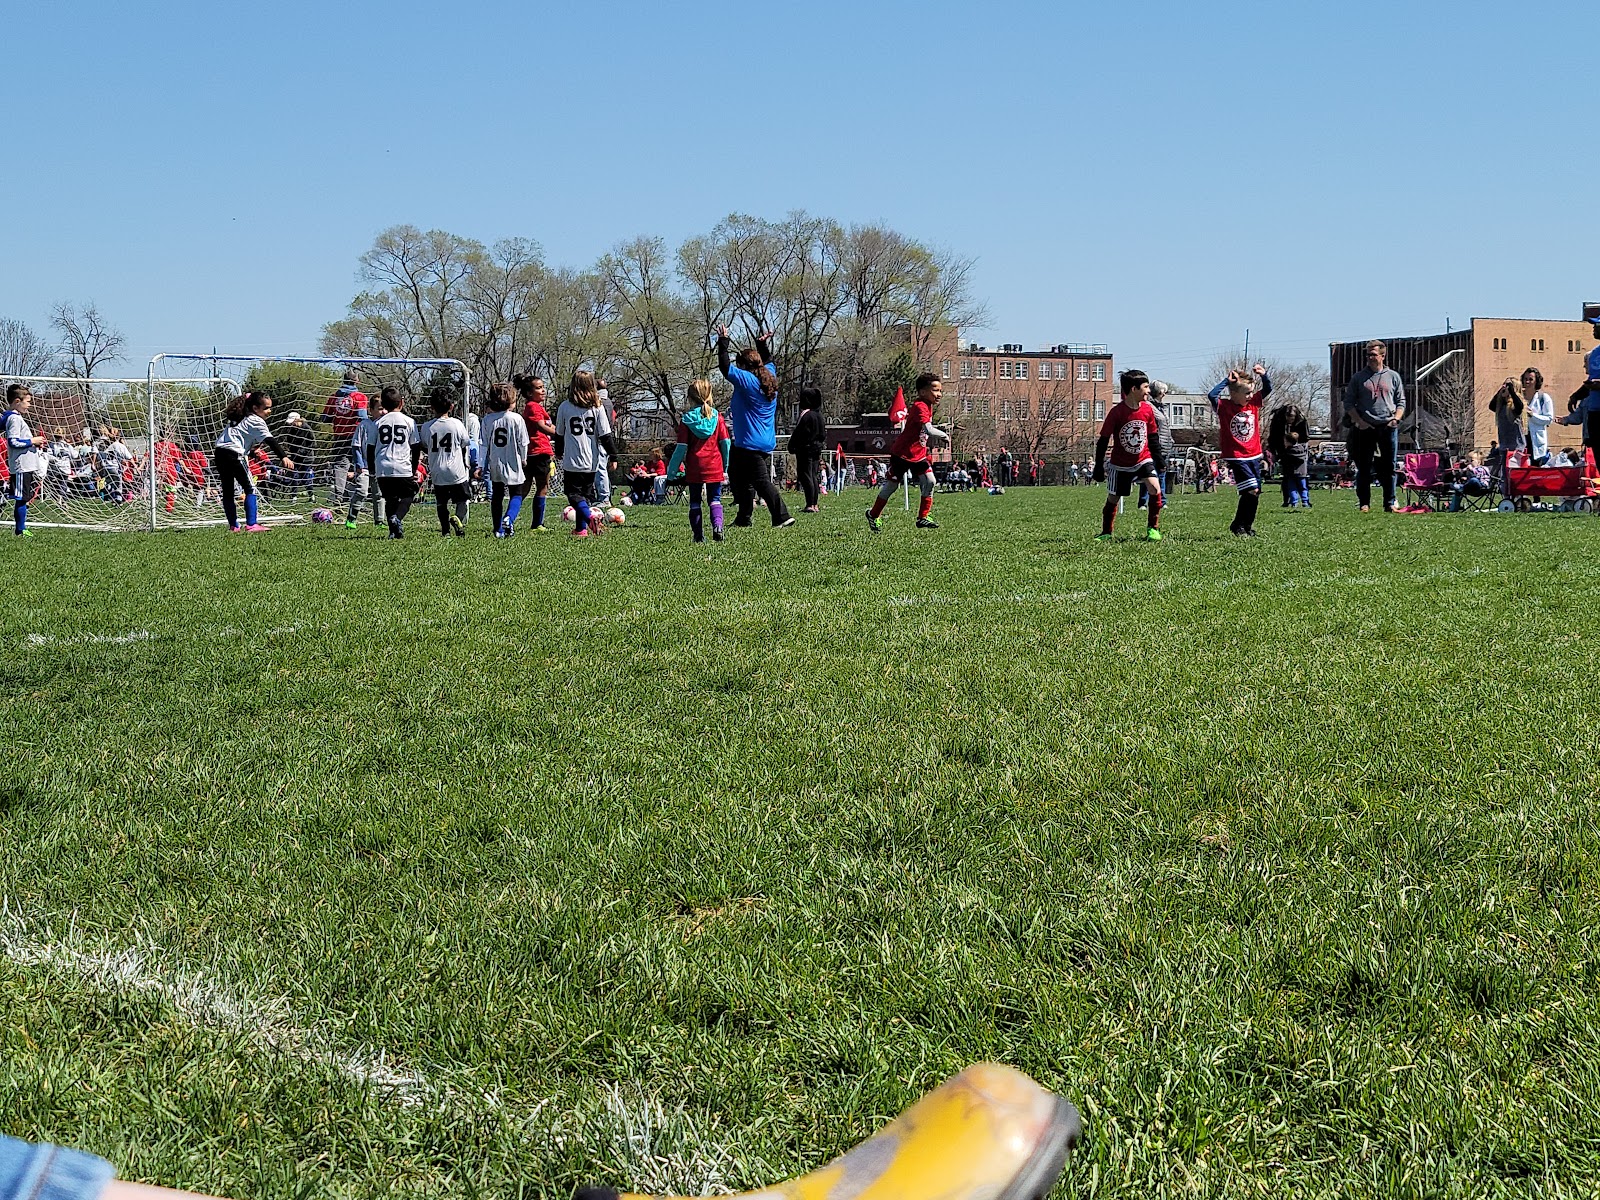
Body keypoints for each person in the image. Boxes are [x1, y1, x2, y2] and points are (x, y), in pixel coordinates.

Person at [717, 325, 794, 528]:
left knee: (760, 482)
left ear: (743, 365)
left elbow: (725, 368)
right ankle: (743, 518)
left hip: (750, 443)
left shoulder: (748, 380)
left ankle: (782, 516)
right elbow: (767, 360)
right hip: (758, 441)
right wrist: (762, 344)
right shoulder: (769, 375)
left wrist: (723, 341)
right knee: (739, 478)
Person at [866, 373, 947, 531]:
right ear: (922, 392)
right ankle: (873, 514)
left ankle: (923, 517)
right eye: (935, 390)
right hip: (902, 454)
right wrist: (944, 435)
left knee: (930, 481)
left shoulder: (927, 404)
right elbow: (928, 430)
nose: (939, 394)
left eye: (940, 391)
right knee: (892, 486)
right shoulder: (920, 406)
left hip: (918, 455)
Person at [1092, 369, 1165, 541]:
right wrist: (1098, 466)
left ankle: (1153, 529)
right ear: (1134, 389)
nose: (1148, 391)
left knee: (1155, 488)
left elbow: (1153, 437)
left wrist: (1159, 459)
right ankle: (1106, 533)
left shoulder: (1148, 411)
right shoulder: (1117, 412)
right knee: (1113, 497)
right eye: (1146, 387)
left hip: (1143, 459)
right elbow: (1103, 440)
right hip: (1120, 463)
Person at [214, 391, 292, 532]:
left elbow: (234, 437)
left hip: (219, 452)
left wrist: (249, 452)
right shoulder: (255, 420)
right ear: (255, 408)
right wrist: (283, 457)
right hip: (234, 454)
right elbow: (270, 440)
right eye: (266, 408)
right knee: (250, 487)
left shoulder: (239, 416)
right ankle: (252, 524)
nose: (269, 411)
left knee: (228, 490)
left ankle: (233, 525)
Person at [1342, 340, 1406, 513]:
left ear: (1382, 356)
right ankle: (1364, 503)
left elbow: (1401, 401)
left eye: (1373, 354)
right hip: (1366, 428)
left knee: (1390, 466)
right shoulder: (1358, 378)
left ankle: (1390, 502)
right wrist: (1359, 422)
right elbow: (1348, 403)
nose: (1369, 357)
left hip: (1388, 426)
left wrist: (1396, 419)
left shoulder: (1393, 376)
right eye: (1368, 354)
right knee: (1363, 467)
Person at [665, 378, 732, 542]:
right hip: (714, 465)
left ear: (690, 398)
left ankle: (698, 536)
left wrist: (671, 472)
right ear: (709, 395)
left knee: (695, 502)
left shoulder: (687, 420)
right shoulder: (717, 418)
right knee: (715, 500)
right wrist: (725, 465)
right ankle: (718, 526)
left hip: (695, 467)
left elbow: (681, 448)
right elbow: (726, 443)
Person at [1208, 363, 1272, 535]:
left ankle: (1245, 526)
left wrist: (1263, 375)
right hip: (1237, 456)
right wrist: (1226, 381)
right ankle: (1239, 525)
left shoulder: (1253, 404)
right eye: (1246, 393)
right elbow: (1212, 395)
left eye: (1252, 392)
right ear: (1234, 393)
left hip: (1254, 454)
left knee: (1255, 492)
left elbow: (1268, 389)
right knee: (1251, 490)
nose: (1251, 396)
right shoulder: (1225, 407)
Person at [554, 369, 618, 538]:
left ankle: (590, 518)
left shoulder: (565, 407)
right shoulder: (597, 407)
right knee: (585, 496)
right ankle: (581, 530)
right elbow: (605, 435)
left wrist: (558, 451)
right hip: (591, 460)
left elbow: (559, 433)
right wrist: (613, 456)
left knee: (573, 494)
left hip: (572, 459)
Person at [367, 387, 420, 539]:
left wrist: (372, 469)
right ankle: (396, 518)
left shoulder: (377, 423)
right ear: (401, 403)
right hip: (402, 466)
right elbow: (415, 447)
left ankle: (393, 531)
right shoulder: (409, 421)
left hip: (383, 467)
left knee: (390, 499)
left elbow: (370, 448)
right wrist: (414, 468)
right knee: (409, 494)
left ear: (383, 403)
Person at [479, 382, 529, 537]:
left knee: (497, 495)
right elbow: (523, 442)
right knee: (517, 494)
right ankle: (508, 518)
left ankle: (498, 529)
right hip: (513, 460)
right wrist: (524, 458)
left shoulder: (487, 420)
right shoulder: (516, 419)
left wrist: (481, 465)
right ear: (511, 401)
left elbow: (483, 444)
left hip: (496, 462)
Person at [418, 393, 472, 537]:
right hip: (456, 471)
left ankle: (445, 531)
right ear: (451, 407)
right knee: (463, 500)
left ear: (431, 408)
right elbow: (465, 443)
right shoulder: (456, 424)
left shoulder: (426, 427)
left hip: (437, 470)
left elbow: (424, 445)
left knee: (441, 503)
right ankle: (457, 519)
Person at [511, 374, 557, 531]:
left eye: (543, 387)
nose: (543, 390)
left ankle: (509, 518)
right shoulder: (533, 406)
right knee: (542, 487)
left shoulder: (536, 406)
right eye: (539, 388)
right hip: (538, 451)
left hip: (532, 452)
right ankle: (537, 523)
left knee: (525, 488)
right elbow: (540, 426)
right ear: (529, 393)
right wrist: (558, 434)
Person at [3, 384, 43, 537]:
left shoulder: (16, 417)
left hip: (27, 464)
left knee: (24, 497)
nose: (30, 405)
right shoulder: (14, 418)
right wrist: (32, 441)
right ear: (17, 401)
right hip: (21, 465)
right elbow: (13, 441)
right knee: (21, 498)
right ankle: (20, 529)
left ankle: (21, 528)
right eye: (27, 402)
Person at [322, 373, 368, 502]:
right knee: (360, 466)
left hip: (340, 437)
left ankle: (338, 496)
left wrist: (338, 416)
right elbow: (362, 416)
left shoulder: (334, 397)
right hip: (356, 436)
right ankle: (360, 497)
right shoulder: (359, 397)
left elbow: (325, 417)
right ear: (357, 381)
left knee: (340, 466)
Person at [344, 399, 382, 529]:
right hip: (364, 466)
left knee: (379, 494)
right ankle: (351, 518)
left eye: (384, 409)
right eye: (380, 408)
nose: (383, 412)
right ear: (370, 410)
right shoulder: (363, 425)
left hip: (379, 467)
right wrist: (359, 463)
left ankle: (379, 521)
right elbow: (356, 445)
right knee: (362, 491)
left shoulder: (385, 425)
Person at [788, 387, 826, 512]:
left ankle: (810, 504)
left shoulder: (806, 415)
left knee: (805, 475)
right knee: (813, 475)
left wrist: (792, 445)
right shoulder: (819, 416)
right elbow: (823, 435)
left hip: (805, 449)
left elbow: (799, 432)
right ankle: (815, 504)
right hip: (816, 449)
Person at [1268, 402, 1311, 508]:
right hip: (1283, 448)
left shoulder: (1301, 420)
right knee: (1287, 478)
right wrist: (1275, 451)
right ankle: (1288, 500)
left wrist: (1296, 447)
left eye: (1292, 418)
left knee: (1296, 480)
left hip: (1297, 447)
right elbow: (1273, 435)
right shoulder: (1278, 418)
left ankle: (1300, 501)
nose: (1289, 421)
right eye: (1288, 418)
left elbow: (1305, 437)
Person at [1142, 380, 1177, 508]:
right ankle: (1143, 502)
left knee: (1161, 474)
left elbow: (1166, 426)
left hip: (1166, 445)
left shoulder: (1163, 408)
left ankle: (1162, 501)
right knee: (1149, 474)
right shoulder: (1149, 406)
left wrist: (1171, 440)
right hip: (1155, 446)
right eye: (1163, 391)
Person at [1520, 367, 1555, 466]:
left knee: (1536, 468)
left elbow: (1549, 419)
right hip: (1521, 438)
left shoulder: (1543, 398)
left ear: (1536, 381)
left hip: (1536, 440)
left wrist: (1532, 415)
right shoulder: (1519, 397)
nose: (1527, 381)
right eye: (1525, 379)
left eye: (1530, 379)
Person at [280, 412, 318, 500]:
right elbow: (289, 442)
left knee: (305, 477)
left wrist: (303, 451)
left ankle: (311, 495)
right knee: (294, 476)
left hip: (306, 458)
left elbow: (313, 443)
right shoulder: (291, 430)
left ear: (297, 420)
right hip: (295, 457)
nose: (291, 424)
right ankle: (294, 496)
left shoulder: (307, 428)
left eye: (293, 422)